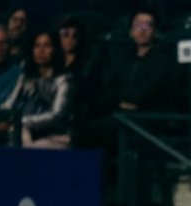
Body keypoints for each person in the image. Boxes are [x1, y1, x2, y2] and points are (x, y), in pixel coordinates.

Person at [73, 10, 176, 152]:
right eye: (138, 25)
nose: (142, 30)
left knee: (103, 131)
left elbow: (139, 96)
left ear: (155, 31)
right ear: (131, 31)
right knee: (83, 128)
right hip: (119, 114)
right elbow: (110, 90)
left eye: (148, 25)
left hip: (146, 119)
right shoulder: (123, 58)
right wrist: (118, 100)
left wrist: (119, 99)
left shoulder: (161, 61)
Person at [0, 28, 73, 149]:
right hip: (25, 132)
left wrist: (19, 121)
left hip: (55, 136)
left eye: (46, 46)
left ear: (54, 49)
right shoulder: (25, 77)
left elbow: (56, 115)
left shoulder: (64, 79)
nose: (41, 51)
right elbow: (10, 103)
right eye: (37, 46)